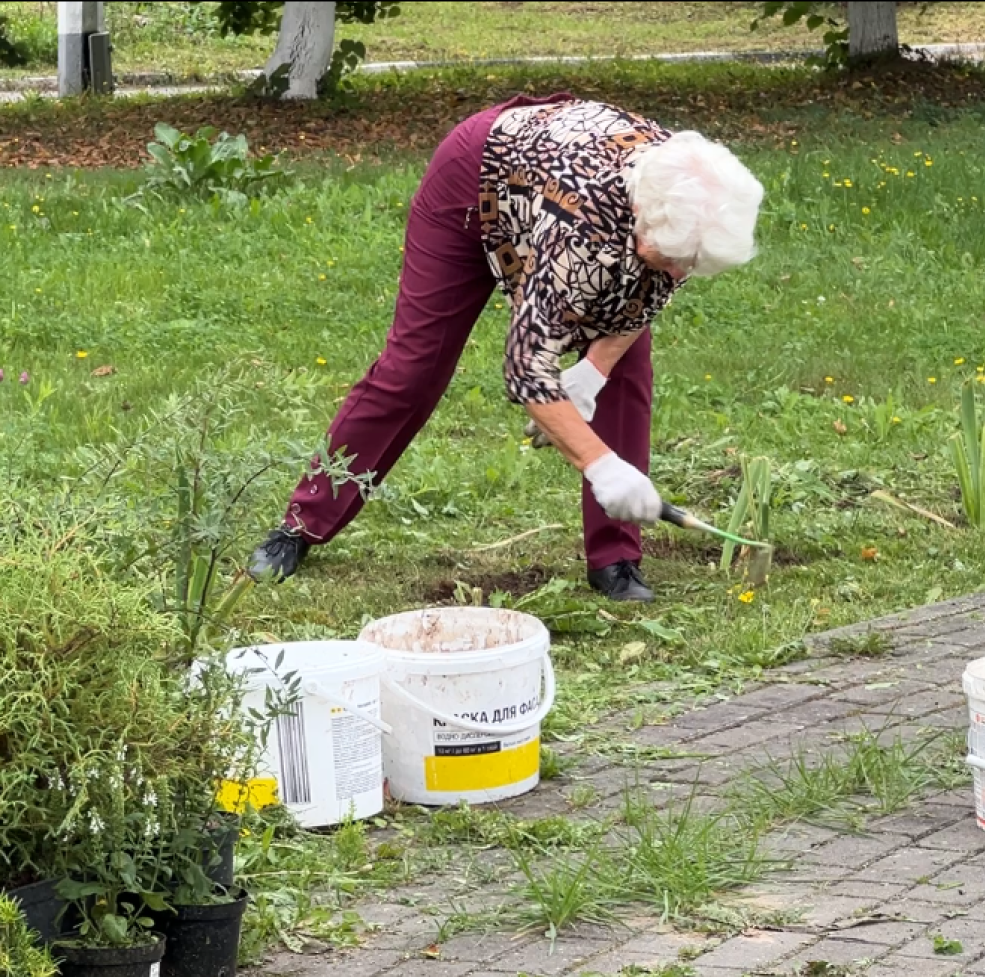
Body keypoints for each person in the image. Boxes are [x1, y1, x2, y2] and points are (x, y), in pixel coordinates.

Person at [248, 94, 764, 602]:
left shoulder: (694, 196)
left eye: (689, 263)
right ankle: (301, 524)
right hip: (472, 186)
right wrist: (601, 466)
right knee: (413, 370)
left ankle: (616, 559)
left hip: (550, 190)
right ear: (641, 217)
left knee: (625, 373)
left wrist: (593, 372)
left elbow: (647, 296)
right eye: (675, 258)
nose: (679, 272)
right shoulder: (584, 224)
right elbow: (526, 366)